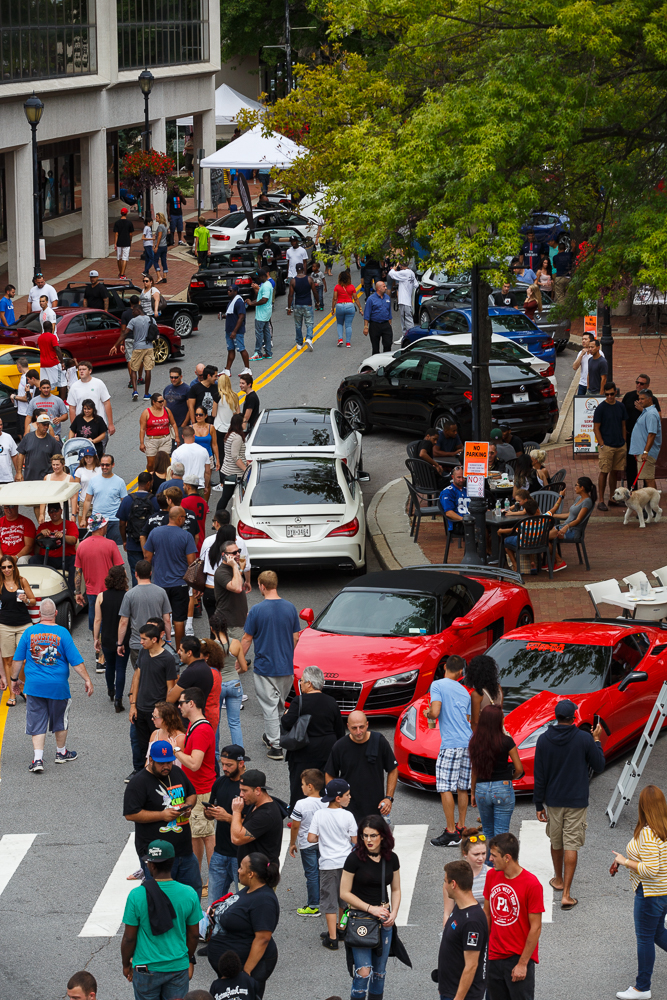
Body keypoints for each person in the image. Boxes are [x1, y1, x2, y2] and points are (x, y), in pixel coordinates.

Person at [533, 698, 605, 911]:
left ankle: (558, 879)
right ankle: (566, 895)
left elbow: (539, 776)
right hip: (576, 801)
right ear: (574, 717)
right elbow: (599, 765)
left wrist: (539, 805)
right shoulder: (584, 739)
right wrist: (597, 741)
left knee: (556, 842)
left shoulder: (544, 740)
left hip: (554, 801)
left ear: (556, 717)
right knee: (571, 843)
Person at [9, 597, 91, 772]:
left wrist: (14, 681)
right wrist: (87, 679)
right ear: (55, 613)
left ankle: (38, 760)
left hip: (34, 686)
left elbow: (17, 660)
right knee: (60, 719)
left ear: (39, 614)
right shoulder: (62, 633)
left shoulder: (29, 633)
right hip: (58, 687)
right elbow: (76, 661)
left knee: (37, 720)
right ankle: (61, 753)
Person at [121, 838, 201, 1000]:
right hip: (177, 967)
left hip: (146, 968)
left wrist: (126, 964)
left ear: (151, 865)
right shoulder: (189, 894)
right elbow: (193, 935)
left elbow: (129, 937)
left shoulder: (136, 895)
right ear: (172, 863)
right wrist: (185, 958)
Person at [611, 785, 667, 1000]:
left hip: (650, 894)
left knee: (644, 938)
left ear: (643, 806)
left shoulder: (648, 833)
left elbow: (651, 870)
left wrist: (625, 861)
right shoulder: (663, 827)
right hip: (664, 891)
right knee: (657, 933)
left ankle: (642, 988)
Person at [124, 740, 201, 893]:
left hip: (184, 851)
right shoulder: (138, 782)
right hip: (157, 856)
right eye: (161, 763)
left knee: (192, 893)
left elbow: (192, 793)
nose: (166, 767)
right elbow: (130, 814)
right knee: (161, 898)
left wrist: (188, 806)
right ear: (151, 760)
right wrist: (162, 815)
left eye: (169, 762)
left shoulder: (177, 772)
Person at [241, 570, 301, 761]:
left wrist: (239, 660)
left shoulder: (257, 610)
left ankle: (276, 746)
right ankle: (271, 735)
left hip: (265, 666)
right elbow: (296, 637)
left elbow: (247, 638)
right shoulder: (290, 607)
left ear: (261, 586)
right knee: (279, 704)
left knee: (269, 705)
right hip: (286, 666)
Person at [206, 852, 281, 999]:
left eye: (241, 868)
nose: (238, 871)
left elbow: (263, 938)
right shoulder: (248, 890)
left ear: (251, 874)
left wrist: (246, 972)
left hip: (248, 967)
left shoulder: (264, 900)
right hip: (231, 967)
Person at [484, 833, 544, 1000]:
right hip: (493, 956)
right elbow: (487, 914)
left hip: (517, 958)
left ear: (507, 857)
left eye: (494, 855)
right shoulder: (491, 876)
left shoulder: (532, 885)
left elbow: (536, 927)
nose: (490, 859)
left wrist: (523, 964)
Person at [282, 664, 344, 809]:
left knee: (300, 785)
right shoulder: (331, 701)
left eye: (302, 681)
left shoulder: (299, 701)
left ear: (309, 684)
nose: (301, 684)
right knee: (323, 783)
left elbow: (286, 723)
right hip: (326, 751)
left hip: (303, 751)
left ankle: (298, 814)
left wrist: (285, 715)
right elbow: (339, 730)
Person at [174, 686, 217, 885]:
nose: (179, 706)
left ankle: (212, 880)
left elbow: (194, 763)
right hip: (195, 789)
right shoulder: (195, 726)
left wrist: (176, 751)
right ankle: (198, 877)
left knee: (206, 834)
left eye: (181, 703)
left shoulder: (200, 730)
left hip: (201, 790)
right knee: (196, 835)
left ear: (191, 703)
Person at [428, 654, 472, 847]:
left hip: (451, 743)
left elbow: (435, 712)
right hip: (467, 742)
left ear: (445, 667)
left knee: (445, 786)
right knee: (463, 786)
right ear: (461, 672)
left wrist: (428, 713)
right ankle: (461, 826)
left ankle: (451, 832)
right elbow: (468, 718)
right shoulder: (465, 692)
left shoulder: (437, 685)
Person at [308, 778, 358, 948]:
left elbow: (311, 838)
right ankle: (342, 927)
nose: (349, 797)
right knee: (345, 900)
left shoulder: (319, 815)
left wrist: (322, 837)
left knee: (329, 901)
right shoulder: (348, 816)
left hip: (328, 864)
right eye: (347, 795)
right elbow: (355, 840)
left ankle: (332, 937)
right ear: (338, 798)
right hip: (346, 864)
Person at [325, 711, 398, 824]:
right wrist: (336, 801)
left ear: (367, 725)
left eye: (361, 727)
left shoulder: (379, 741)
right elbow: (329, 774)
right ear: (348, 726)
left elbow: (393, 769)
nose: (358, 732)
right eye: (354, 728)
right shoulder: (340, 746)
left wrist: (389, 798)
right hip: (348, 809)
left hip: (375, 808)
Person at [143, 506, 197, 648]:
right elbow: (192, 562)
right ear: (179, 518)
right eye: (184, 517)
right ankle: (180, 652)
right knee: (179, 620)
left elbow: (147, 556)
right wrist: (195, 584)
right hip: (180, 584)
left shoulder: (155, 533)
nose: (185, 520)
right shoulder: (186, 536)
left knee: (158, 619)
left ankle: (158, 649)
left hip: (160, 583)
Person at [469, 705, 524, 840]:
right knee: (501, 834)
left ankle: (488, 861)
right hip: (502, 787)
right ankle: (499, 861)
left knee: (487, 833)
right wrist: (510, 777)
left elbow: (474, 769)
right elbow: (519, 769)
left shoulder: (475, 742)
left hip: (481, 789)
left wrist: (472, 792)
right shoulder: (506, 741)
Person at [438, 858, 488, 1000]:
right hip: (450, 990)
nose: (445, 885)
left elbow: (471, 966)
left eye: (445, 881)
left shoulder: (472, 921)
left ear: (453, 884)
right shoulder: (459, 909)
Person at [204, 744, 249, 901]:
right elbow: (211, 814)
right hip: (219, 853)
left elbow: (253, 823)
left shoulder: (249, 788)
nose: (224, 768)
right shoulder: (220, 783)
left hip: (241, 856)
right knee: (213, 905)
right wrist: (209, 813)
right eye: (222, 764)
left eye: (229, 765)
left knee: (243, 904)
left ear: (241, 763)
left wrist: (228, 817)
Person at [128, 622, 179, 760]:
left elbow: (170, 688)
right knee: (140, 745)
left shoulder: (168, 659)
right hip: (140, 708)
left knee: (157, 745)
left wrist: (165, 712)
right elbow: (137, 677)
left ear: (154, 639)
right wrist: (133, 704)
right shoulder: (143, 652)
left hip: (157, 712)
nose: (141, 642)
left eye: (144, 639)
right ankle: (140, 772)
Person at [117, 558, 172, 677]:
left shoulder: (129, 595)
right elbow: (167, 619)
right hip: (157, 642)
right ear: (150, 573)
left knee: (140, 676)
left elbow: (123, 622)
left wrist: (120, 643)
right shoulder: (161, 592)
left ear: (136, 574)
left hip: (138, 643)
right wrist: (168, 640)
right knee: (157, 676)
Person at [75, 513, 124, 630]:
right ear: (101, 527)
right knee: (111, 622)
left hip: (91, 592)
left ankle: (97, 646)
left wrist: (78, 593)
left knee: (95, 622)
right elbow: (120, 569)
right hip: (110, 590)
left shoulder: (81, 546)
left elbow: (78, 571)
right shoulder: (111, 544)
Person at [288, 768, 326, 916]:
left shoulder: (301, 804)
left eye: (303, 784)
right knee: (324, 872)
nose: (301, 787)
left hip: (307, 844)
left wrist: (292, 843)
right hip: (323, 843)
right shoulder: (326, 802)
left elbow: (296, 825)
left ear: (310, 786)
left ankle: (313, 905)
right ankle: (328, 899)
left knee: (311, 874)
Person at [0, 554, 36, 706]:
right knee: (8, 660)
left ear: (14, 567)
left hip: (23, 624)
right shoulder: (0, 583)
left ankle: (22, 686)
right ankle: (12, 694)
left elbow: (33, 600)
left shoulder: (22, 581)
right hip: (5, 625)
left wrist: (26, 600)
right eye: (4, 567)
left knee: (26, 658)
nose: (7, 569)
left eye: (9, 566)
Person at [93, 564, 130, 712]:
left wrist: (96, 638)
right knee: (121, 668)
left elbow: (97, 619)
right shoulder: (127, 595)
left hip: (107, 637)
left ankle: (110, 690)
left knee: (110, 665)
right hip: (123, 638)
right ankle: (119, 699)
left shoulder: (101, 596)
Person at [208, 610, 247, 747]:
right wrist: (236, 672)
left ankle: (216, 754)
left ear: (212, 628)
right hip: (234, 684)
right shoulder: (235, 643)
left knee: (215, 721)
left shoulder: (210, 646)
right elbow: (244, 667)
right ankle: (239, 753)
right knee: (234, 722)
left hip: (217, 685)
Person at [231, 769, 284, 868]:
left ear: (258, 790)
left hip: (259, 876)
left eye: (245, 790)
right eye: (240, 790)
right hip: (252, 872)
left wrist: (236, 811)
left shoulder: (266, 814)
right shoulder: (256, 803)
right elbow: (249, 826)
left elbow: (237, 839)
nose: (241, 794)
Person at [547, 476, 596, 573]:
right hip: (564, 527)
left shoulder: (587, 502)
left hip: (572, 531)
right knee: (542, 535)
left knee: (543, 537)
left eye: (576, 485)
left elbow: (578, 519)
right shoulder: (579, 498)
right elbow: (570, 515)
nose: (575, 487)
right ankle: (552, 560)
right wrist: (553, 515)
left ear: (582, 488)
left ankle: (558, 561)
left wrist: (566, 526)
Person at [592, 382, 627, 510]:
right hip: (606, 445)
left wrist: (623, 441)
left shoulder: (621, 406)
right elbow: (596, 428)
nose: (610, 396)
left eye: (612, 394)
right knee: (604, 471)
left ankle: (613, 498)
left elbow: (623, 425)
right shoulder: (601, 408)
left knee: (615, 472)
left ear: (615, 392)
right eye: (607, 394)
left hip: (619, 444)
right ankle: (601, 500)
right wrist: (602, 444)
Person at [81, 453, 127, 545]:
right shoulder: (93, 481)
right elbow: (88, 500)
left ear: (112, 465)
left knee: (113, 547)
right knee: (95, 546)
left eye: (107, 465)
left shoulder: (120, 482)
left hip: (114, 519)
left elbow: (124, 502)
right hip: (96, 518)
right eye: (102, 465)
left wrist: (125, 520)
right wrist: (83, 518)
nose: (104, 467)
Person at [443, 835, 491, 922]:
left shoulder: (491, 874)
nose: (481, 858)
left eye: (483, 853)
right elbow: (448, 912)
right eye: (476, 854)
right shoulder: (454, 875)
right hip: (462, 925)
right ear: (465, 853)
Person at [33, 501, 78, 584]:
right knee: (33, 560)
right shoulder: (43, 526)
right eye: (51, 511)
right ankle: (36, 589)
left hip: (65, 558)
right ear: (48, 513)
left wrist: (63, 536)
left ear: (61, 511)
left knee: (75, 560)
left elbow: (73, 540)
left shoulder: (70, 524)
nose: (54, 513)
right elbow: (37, 539)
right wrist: (43, 534)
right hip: (48, 558)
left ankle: (73, 591)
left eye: (56, 510)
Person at [67, 361, 115, 436]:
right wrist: (74, 428)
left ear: (90, 371)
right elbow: (72, 408)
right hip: (82, 427)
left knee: (99, 447)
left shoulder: (98, 383)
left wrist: (111, 424)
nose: (81, 371)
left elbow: (106, 403)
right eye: (79, 370)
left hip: (98, 425)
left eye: (84, 369)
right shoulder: (74, 387)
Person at [630, 389, 663, 491]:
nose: (640, 401)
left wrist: (645, 452)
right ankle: (650, 505)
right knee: (647, 478)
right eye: (639, 399)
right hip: (642, 452)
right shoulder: (646, 412)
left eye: (642, 399)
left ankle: (653, 506)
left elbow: (652, 434)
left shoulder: (651, 414)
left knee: (649, 479)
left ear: (650, 399)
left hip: (647, 453)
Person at [139, 391, 179, 472]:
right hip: (152, 440)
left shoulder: (167, 410)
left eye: (163, 401)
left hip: (165, 439)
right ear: (153, 402)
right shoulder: (146, 413)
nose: (162, 403)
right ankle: (151, 478)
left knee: (165, 463)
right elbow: (142, 429)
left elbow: (173, 423)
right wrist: (142, 443)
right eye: (160, 402)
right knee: (151, 464)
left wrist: (177, 437)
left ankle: (163, 479)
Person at [17, 414, 60, 481]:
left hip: (46, 478)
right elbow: (21, 454)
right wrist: (19, 473)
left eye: (47, 425)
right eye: (44, 425)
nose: (46, 427)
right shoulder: (28, 437)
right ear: (37, 424)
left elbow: (58, 459)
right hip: (29, 477)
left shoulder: (52, 441)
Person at [218, 413, 247, 511]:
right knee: (227, 497)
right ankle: (217, 519)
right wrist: (245, 469)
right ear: (239, 424)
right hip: (234, 474)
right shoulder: (237, 438)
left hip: (227, 470)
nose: (246, 423)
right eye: (244, 422)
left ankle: (217, 518)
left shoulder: (230, 434)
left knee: (225, 497)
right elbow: (235, 456)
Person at [172, 426, 212, 494]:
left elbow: (173, 472)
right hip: (198, 486)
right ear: (194, 435)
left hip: (183, 486)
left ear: (182, 436)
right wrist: (206, 486)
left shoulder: (176, 452)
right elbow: (207, 472)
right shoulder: (203, 451)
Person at [222, 284, 251, 376]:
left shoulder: (238, 302)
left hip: (236, 331)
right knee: (230, 349)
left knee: (241, 349)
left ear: (236, 291)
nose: (228, 292)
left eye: (230, 290)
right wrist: (223, 316)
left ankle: (247, 369)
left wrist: (234, 331)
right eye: (228, 290)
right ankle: (227, 369)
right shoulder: (231, 302)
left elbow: (241, 317)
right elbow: (231, 314)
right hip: (229, 330)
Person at [287, 262, 316, 351]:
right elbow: (315, 291)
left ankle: (299, 343)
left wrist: (289, 308)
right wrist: (318, 302)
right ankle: (308, 338)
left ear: (296, 270)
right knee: (309, 323)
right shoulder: (309, 279)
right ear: (303, 269)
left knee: (298, 325)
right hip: (308, 304)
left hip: (298, 304)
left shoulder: (293, 281)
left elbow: (290, 295)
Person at [331, 270, 363, 348]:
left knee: (339, 323)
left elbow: (335, 298)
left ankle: (340, 339)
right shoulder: (351, 287)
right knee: (348, 325)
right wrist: (360, 308)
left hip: (340, 306)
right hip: (350, 306)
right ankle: (348, 343)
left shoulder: (337, 287)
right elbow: (355, 298)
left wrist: (332, 308)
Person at [192, 409, 219, 498]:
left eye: (200, 414)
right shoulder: (191, 427)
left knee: (206, 482)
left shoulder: (211, 428)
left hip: (208, 457)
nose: (198, 417)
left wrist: (217, 460)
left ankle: (205, 504)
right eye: (196, 415)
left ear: (206, 416)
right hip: (195, 458)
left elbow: (214, 444)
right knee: (194, 481)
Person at [248, 270, 274, 361]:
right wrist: (251, 302)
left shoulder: (266, 286)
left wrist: (252, 304)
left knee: (259, 333)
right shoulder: (265, 285)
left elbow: (264, 300)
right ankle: (268, 352)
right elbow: (260, 298)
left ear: (263, 276)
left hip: (262, 314)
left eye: (258, 278)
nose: (257, 280)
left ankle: (258, 353)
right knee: (266, 332)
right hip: (265, 313)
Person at [363, 279, 393, 353]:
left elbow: (389, 310)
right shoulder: (371, 299)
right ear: (379, 288)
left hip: (385, 324)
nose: (386, 288)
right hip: (375, 325)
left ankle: (386, 361)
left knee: (388, 343)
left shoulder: (387, 298)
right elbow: (367, 313)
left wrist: (389, 321)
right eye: (384, 286)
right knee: (375, 347)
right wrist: (366, 327)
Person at [439, 466, 470, 534]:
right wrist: (463, 520)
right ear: (453, 477)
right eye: (458, 477)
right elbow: (449, 513)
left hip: (471, 520)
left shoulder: (468, 490)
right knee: (481, 530)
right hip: (457, 524)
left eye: (463, 477)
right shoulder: (447, 492)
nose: (461, 480)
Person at [571, 331, 600, 398]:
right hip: (582, 384)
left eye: (586, 339)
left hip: (594, 385)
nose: (583, 341)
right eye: (582, 339)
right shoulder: (581, 353)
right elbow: (574, 367)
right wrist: (581, 355)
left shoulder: (598, 353)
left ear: (591, 341)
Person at [37, 316, 63, 388]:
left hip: (43, 363)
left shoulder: (39, 338)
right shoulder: (52, 337)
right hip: (52, 363)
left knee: (45, 384)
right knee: (59, 382)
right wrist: (62, 361)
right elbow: (57, 349)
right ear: (51, 328)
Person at [113, 206, 135, 279]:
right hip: (126, 242)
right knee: (125, 258)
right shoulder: (129, 223)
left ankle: (120, 272)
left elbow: (116, 233)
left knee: (119, 258)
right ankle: (122, 274)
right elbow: (131, 233)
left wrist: (115, 243)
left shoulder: (117, 223)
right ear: (126, 214)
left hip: (119, 242)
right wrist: (130, 240)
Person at [0, 416, 19, 484]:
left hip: (7, 478)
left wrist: (18, 473)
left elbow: (14, 456)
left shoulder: (8, 437)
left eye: (1, 424)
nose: (0, 427)